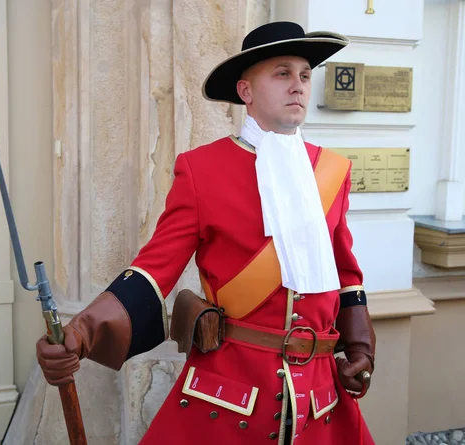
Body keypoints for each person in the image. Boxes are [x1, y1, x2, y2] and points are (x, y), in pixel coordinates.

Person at [36, 21, 376, 445]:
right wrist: (81, 333)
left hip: (319, 399)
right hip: (232, 397)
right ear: (246, 92)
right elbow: (153, 270)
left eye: (305, 75)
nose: (299, 86)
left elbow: (345, 273)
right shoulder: (201, 170)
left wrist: (360, 346)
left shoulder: (333, 171)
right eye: (283, 73)